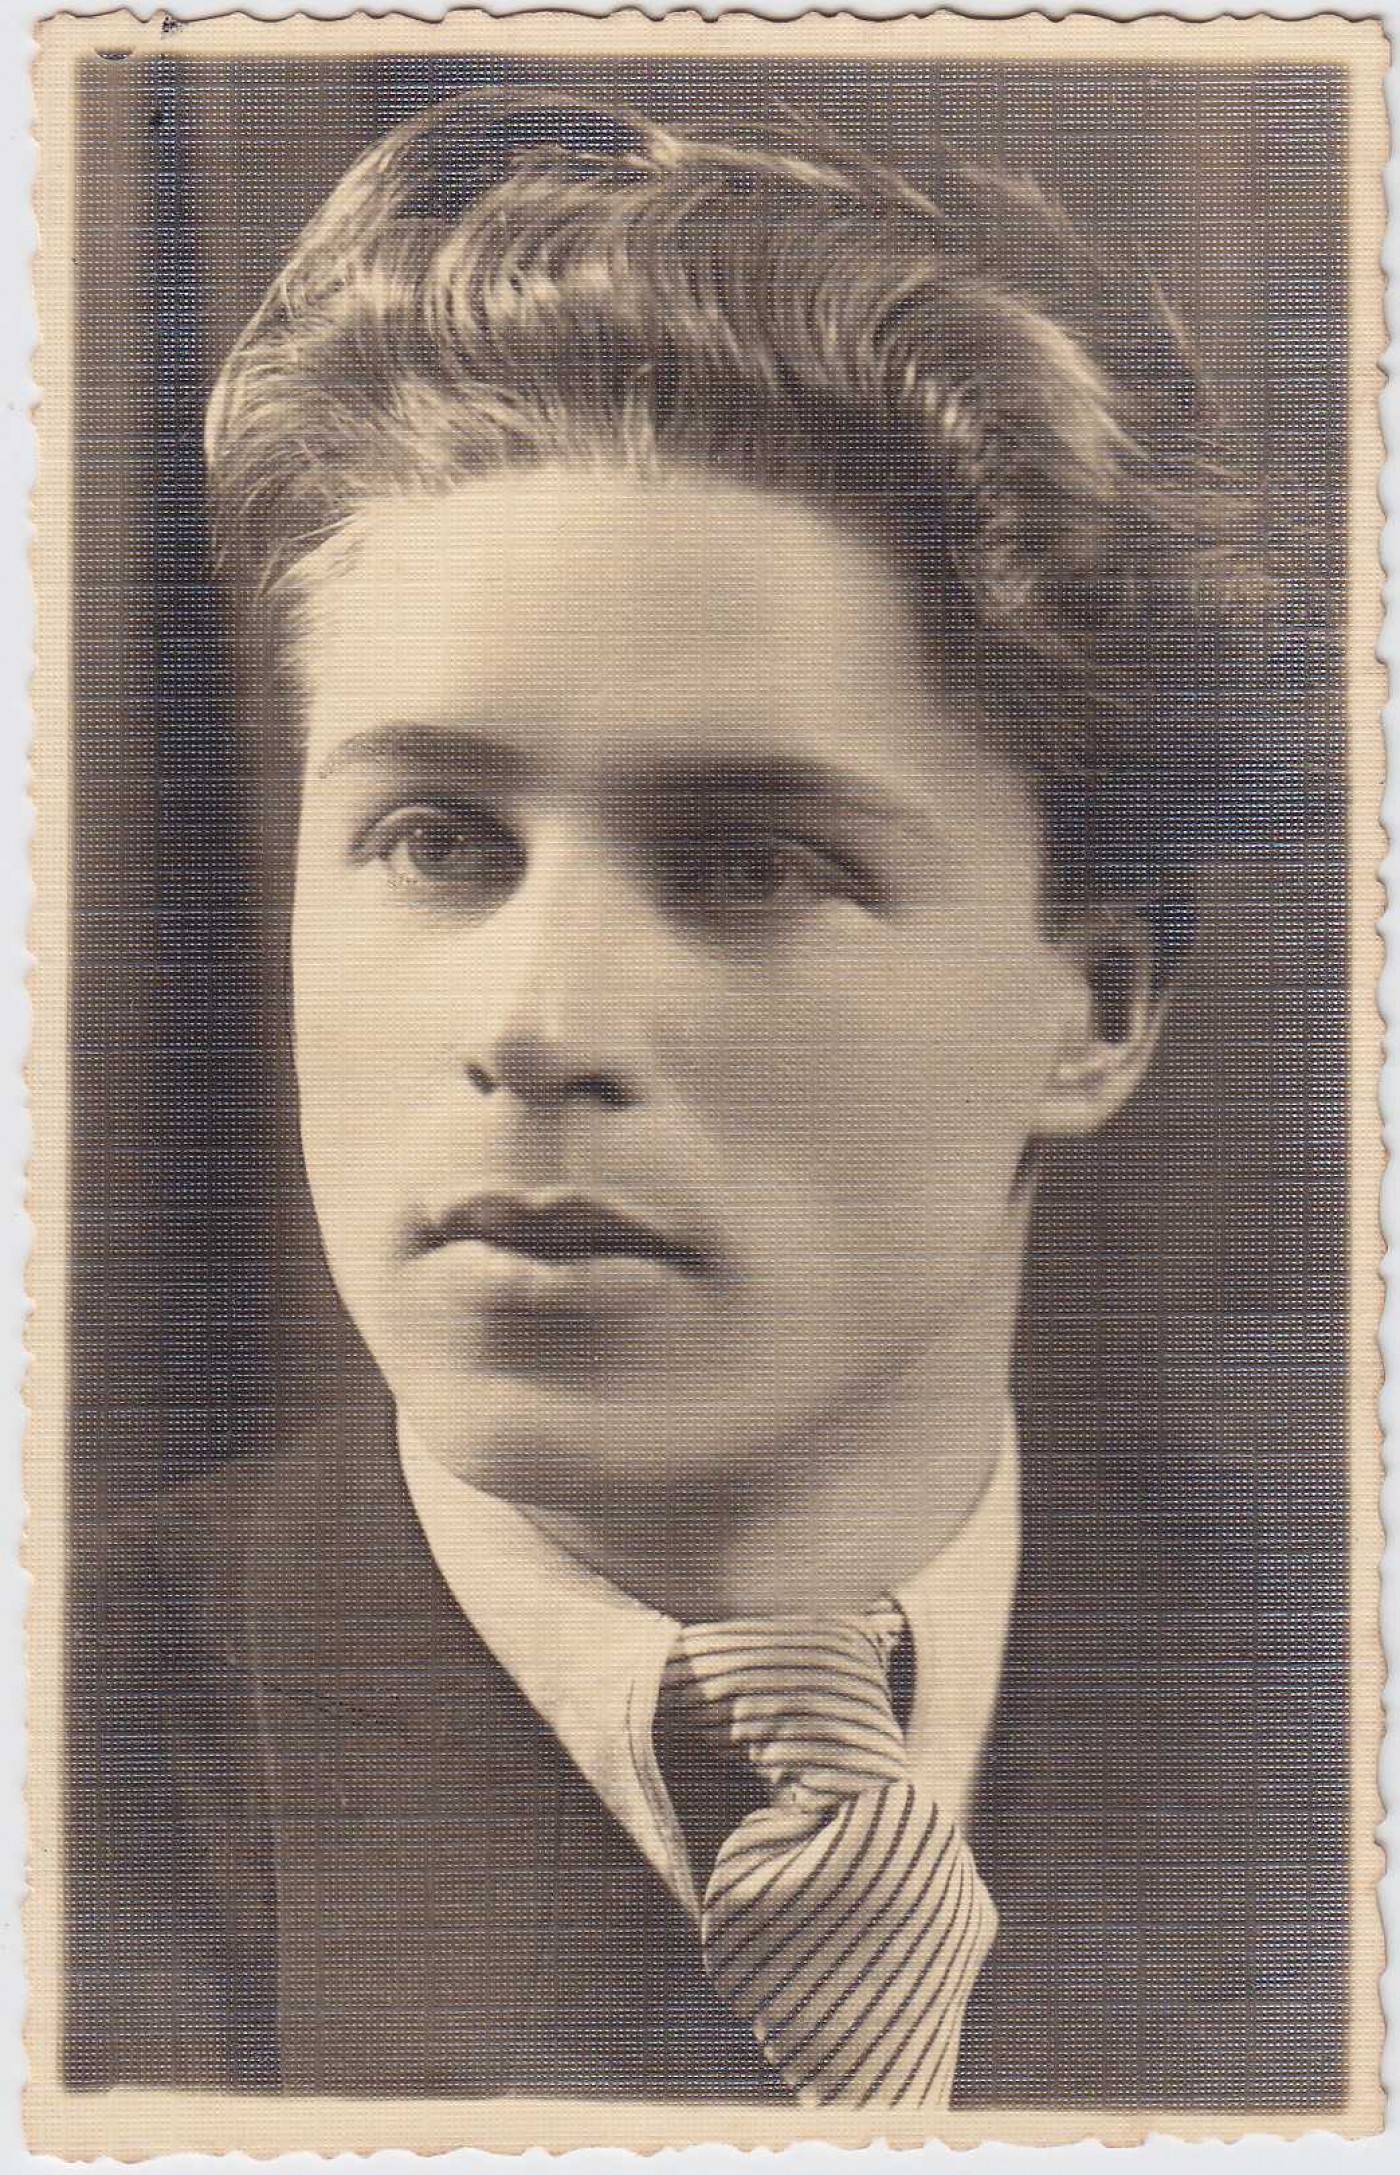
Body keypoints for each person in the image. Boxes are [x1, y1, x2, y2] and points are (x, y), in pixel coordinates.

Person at [68, 88, 1338, 2109]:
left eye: (750, 864)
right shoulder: (63, 1784)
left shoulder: (1326, 1727)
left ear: (1092, 1006)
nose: (540, 1025)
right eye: (434, 842)